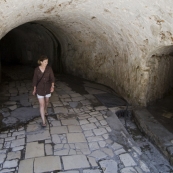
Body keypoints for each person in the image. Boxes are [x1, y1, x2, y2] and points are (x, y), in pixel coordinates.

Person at [32, 55, 55, 127]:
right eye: (45, 62)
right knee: (42, 104)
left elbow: (52, 78)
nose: (47, 63)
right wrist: (34, 89)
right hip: (40, 89)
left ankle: (45, 110)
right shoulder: (36, 70)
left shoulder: (49, 69)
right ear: (41, 62)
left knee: (47, 102)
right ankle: (43, 121)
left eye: (47, 62)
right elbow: (35, 80)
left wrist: (52, 86)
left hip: (48, 88)